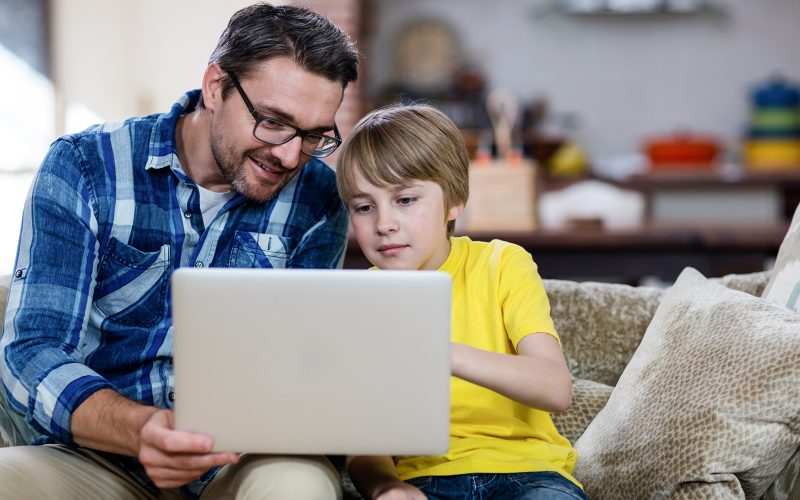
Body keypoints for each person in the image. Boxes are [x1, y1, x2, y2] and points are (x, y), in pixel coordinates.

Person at [0, 3, 358, 499]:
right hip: (95, 458)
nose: (290, 155)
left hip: (238, 463)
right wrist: (141, 430)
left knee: (299, 484)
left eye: (314, 134)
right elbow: (31, 352)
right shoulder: (85, 167)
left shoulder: (319, 198)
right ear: (216, 87)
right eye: (274, 122)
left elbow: (308, 365)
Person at [335, 104, 586, 500]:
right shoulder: (360, 302)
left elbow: (555, 388)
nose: (383, 223)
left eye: (405, 200)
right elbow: (366, 444)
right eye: (365, 207)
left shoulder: (503, 263)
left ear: (454, 202)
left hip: (530, 475)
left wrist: (443, 353)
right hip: (427, 482)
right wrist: (386, 488)